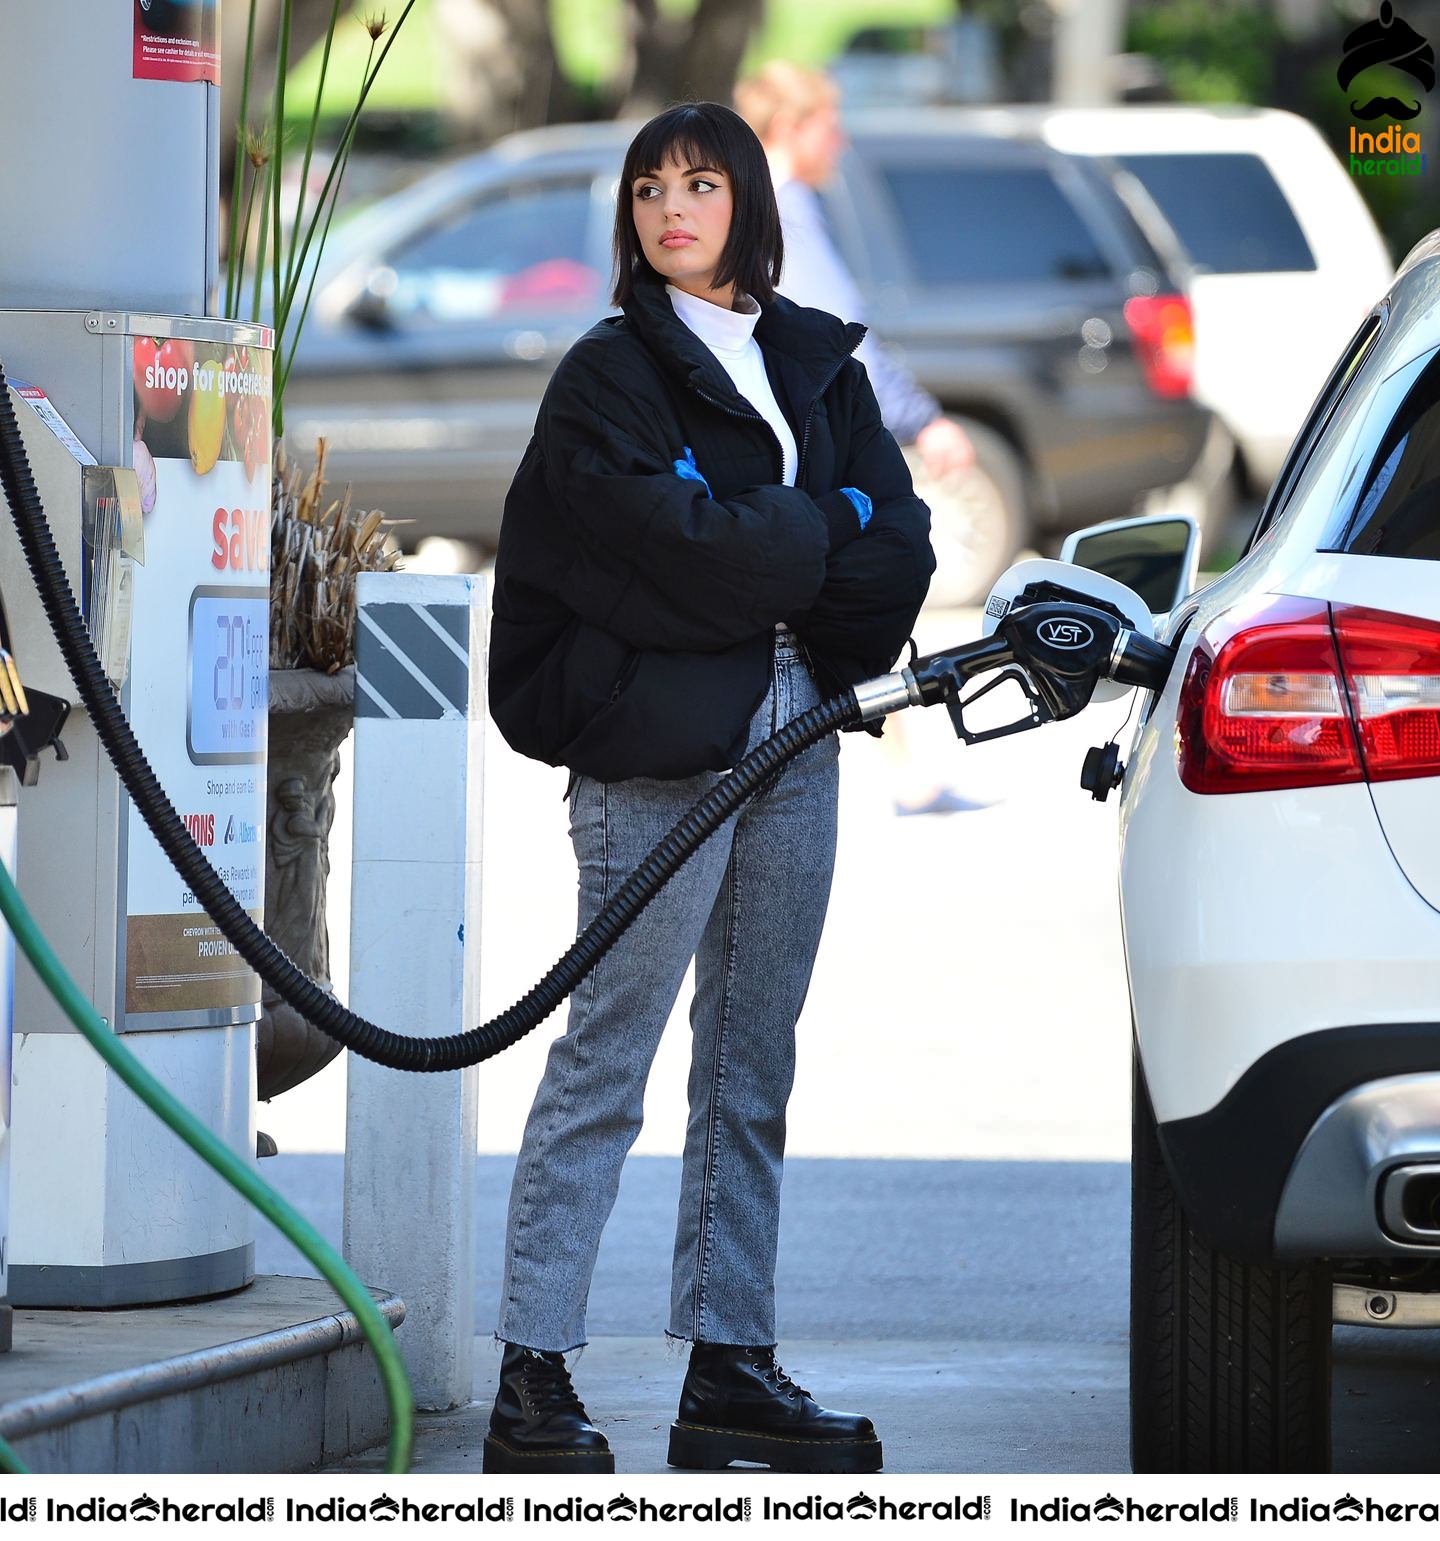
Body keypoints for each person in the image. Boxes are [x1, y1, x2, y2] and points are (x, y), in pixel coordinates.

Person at [485, 101, 934, 1475]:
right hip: (661, 741)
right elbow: (660, 544)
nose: (671, 209)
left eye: (700, 183)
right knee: (605, 1062)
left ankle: (730, 1367)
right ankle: (532, 1379)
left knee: (752, 1064)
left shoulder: (816, 362)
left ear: (748, 200)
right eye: (647, 189)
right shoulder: (608, 376)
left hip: (801, 725)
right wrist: (816, 524)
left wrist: (782, 535)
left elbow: (900, 541)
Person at [736, 63, 984, 817]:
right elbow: (844, 340)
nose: (838, 143)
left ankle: (907, 771)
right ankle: (900, 775)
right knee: (867, 588)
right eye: (829, 125)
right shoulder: (788, 207)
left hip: (767, 433)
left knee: (830, 598)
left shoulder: (742, 205)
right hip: (813, 437)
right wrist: (919, 418)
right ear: (792, 126)